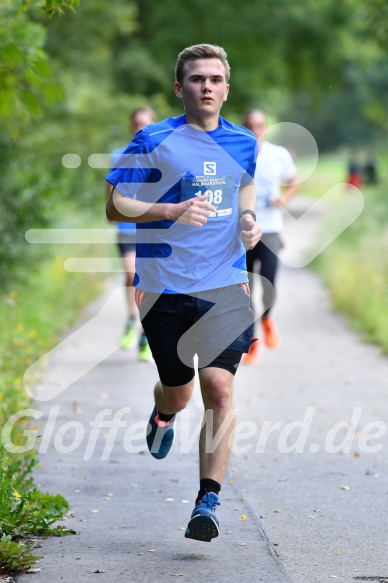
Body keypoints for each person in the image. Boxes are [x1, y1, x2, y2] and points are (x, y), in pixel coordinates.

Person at [105, 44, 261, 542]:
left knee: (219, 390)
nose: (207, 86)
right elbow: (115, 206)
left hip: (224, 285)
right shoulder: (153, 139)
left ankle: (207, 501)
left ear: (227, 88)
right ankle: (164, 412)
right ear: (180, 87)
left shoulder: (242, 142)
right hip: (162, 289)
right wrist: (168, 212)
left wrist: (249, 219)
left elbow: (245, 189)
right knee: (180, 389)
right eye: (197, 79)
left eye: (215, 79)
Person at [242, 109, 298, 365]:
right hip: (244, 230)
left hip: (272, 228)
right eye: (250, 125)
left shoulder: (279, 154)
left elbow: (293, 181)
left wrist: (284, 199)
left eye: (259, 125)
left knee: (269, 284)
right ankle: (252, 339)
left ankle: (267, 319)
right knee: (246, 289)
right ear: (244, 127)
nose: (255, 130)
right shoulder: (236, 153)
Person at [106, 107, 156, 359]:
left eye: (146, 124)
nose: (141, 128)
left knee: (147, 281)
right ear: (130, 126)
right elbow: (110, 187)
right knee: (131, 273)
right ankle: (131, 317)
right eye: (137, 123)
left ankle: (146, 333)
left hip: (151, 227)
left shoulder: (162, 154)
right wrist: (111, 212)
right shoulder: (119, 154)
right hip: (126, 226)